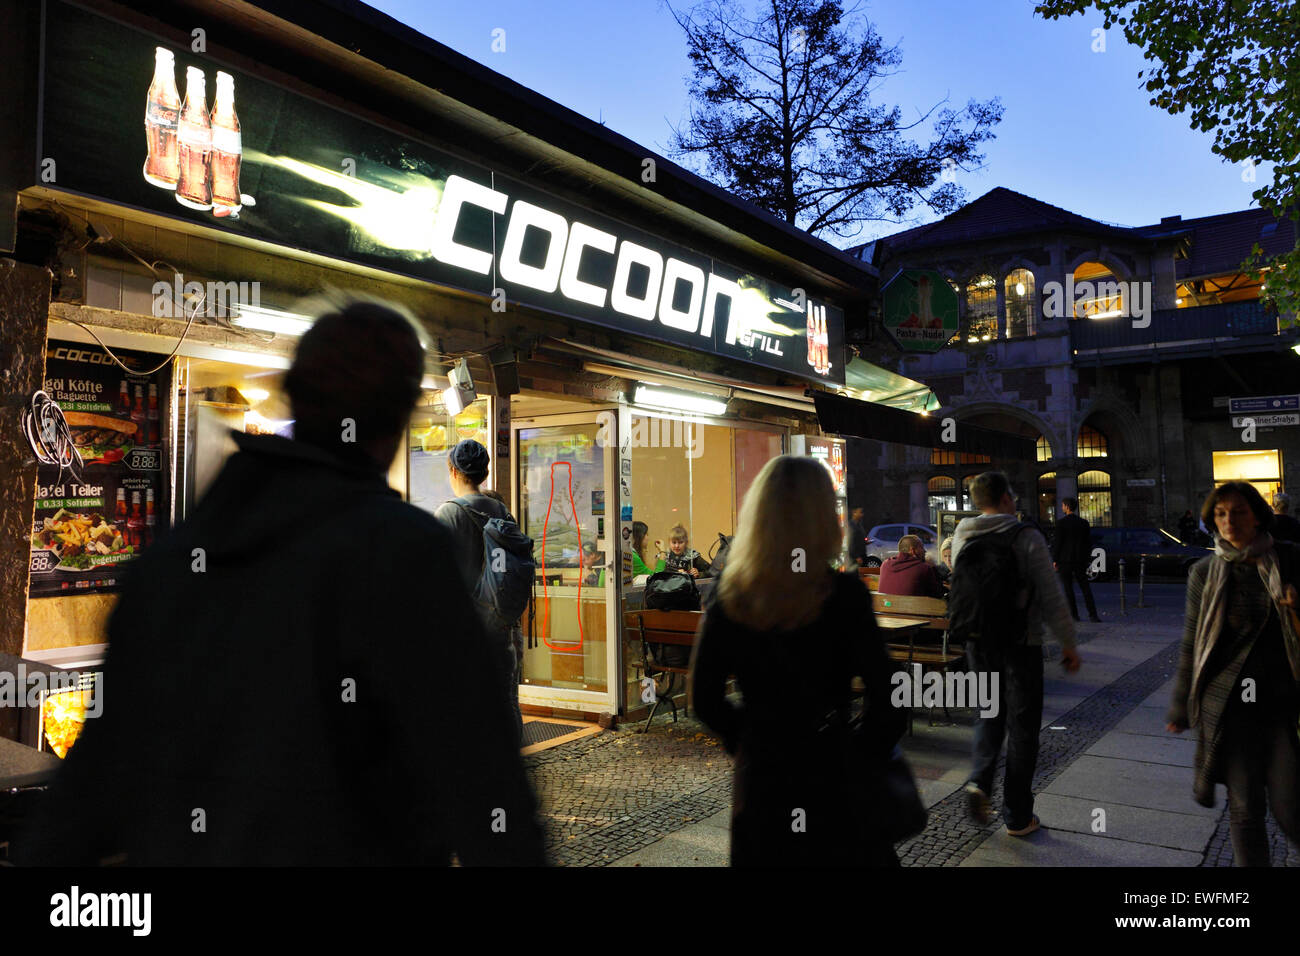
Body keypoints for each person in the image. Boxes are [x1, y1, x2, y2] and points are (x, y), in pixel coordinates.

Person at [16, 300, 544, 866]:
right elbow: (486, 789)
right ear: (395, 423)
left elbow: (92, 788)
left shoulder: (178, 558)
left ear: (295, 395)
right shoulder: (402, 555)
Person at [691, 456, 905, 867]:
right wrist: (854, 752)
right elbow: (889, 696)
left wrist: (752, 742)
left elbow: (705, 698)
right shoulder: (843, 596)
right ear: (822, 516)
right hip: (834, 782)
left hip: (764, 786)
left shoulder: (731, 595)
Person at [1166, 482, 1300, 866]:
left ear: (1258, 515)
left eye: (1239, 512)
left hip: (1282, 701)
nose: (1229, 521)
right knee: (1244, 808)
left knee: (1291, 806)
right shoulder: (1204, 573)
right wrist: (1180, 708)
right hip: (1228, 705)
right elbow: (1193, 644)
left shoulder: (1289, 560)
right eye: (1221, 514)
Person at [951, 471, 1081, 837]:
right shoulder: (1026, 536)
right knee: (1023, 729)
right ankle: (1017, 815)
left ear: (977, 501)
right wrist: (1068, 643)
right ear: (1007, 498)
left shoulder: (963, 533)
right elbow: (1051, 594)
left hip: (978, 642)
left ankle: (979, 782)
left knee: (988, 716)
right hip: (1021, 643)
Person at [436, 439, 525, 747]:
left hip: (464, 632)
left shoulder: (448, 514)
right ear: (486, 472)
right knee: (505, 702)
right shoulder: (500, 509)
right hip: (500, 625)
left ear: (453, 470)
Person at [1052, 497, 1101, 623]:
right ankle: (1093, 614)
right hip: (1080, 559)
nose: (1062, 507)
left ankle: (1074, 615)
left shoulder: (1061, 523)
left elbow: (1057, 543)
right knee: (1085, 587)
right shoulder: (1084, 523)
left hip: (1065, 560)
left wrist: (1055, 559)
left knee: (1068, 588)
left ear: (1067, 507)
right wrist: (1086, 557)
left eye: (1063, 505)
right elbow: (1088, 543)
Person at [877, 535, 944, 598]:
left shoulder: (885, 564)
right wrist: (933, 567)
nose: (924, 551)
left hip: (885, 608)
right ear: (913, 551)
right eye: (921, 547)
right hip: (914, 609)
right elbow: (938, 594)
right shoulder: (923, 568)